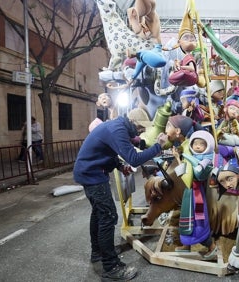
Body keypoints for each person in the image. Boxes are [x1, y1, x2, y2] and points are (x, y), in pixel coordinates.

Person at [73, 114, 168, 281]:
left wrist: (119, 165)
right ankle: (111, 268)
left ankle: (98, 252)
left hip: (89, 172)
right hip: (92, 175)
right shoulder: (117, 129)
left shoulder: (118, 126)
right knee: (108, 217)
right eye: (139, 128)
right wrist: (158, 146)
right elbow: (133, 158)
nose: (139, 132)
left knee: (98, 214)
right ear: (132, 123)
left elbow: (108, 150)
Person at [164, 116, 217, 259]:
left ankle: (211, 246)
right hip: (190, 191)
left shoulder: (199, 156)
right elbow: (185, 173)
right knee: (186, 216)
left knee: (197, 219)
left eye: (201, 144)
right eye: (196, 144)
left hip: (195, 191)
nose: (198, 146)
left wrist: (182, 159)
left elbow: (192, 176)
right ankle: (186, 245)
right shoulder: (187, 149)